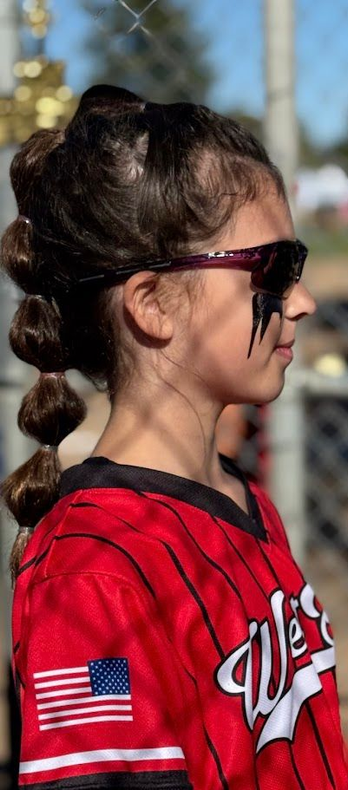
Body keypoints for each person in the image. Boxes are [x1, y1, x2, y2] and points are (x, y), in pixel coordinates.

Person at [1, 85, 347, 790]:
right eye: (273, 271)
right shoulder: (89, 577)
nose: (303, 301)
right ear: (153, 304)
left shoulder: (241, 497)